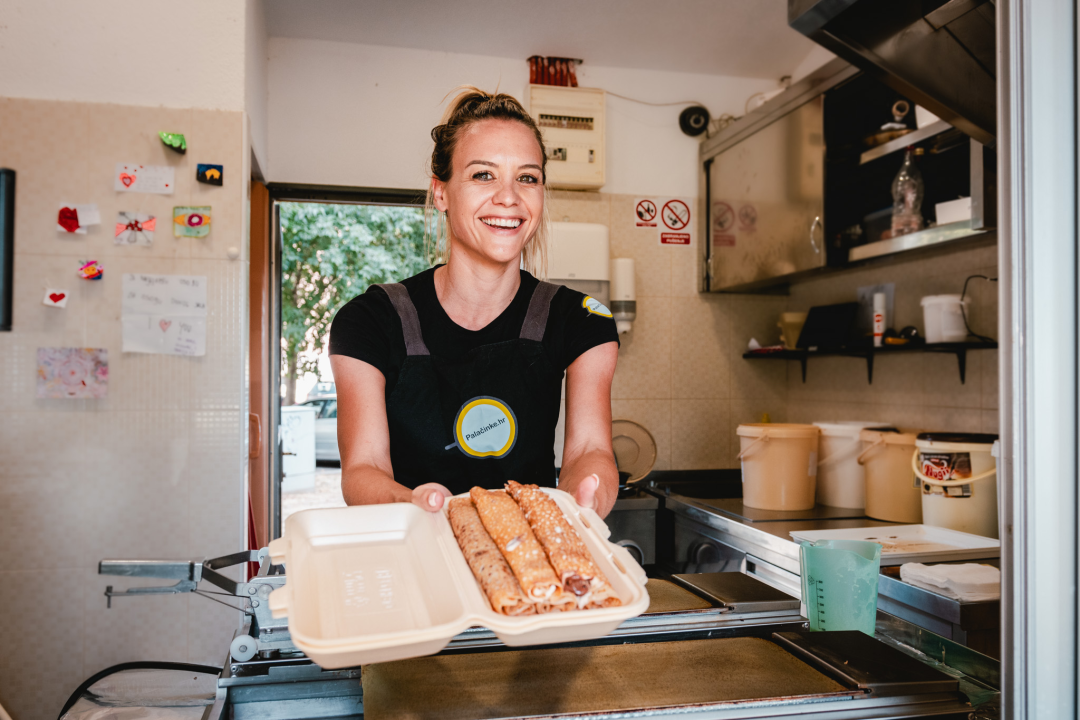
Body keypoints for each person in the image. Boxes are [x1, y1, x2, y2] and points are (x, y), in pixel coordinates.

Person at [328, 88, 621, 518]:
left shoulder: (580, 321)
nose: (509, 197)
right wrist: (414, 503)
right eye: (483, 175)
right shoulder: (370, 321)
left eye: (528, 177)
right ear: (441, 192)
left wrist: (583, 502)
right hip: (412, 557)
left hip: (528, 564)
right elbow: (363, 469)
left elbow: (589, 450)